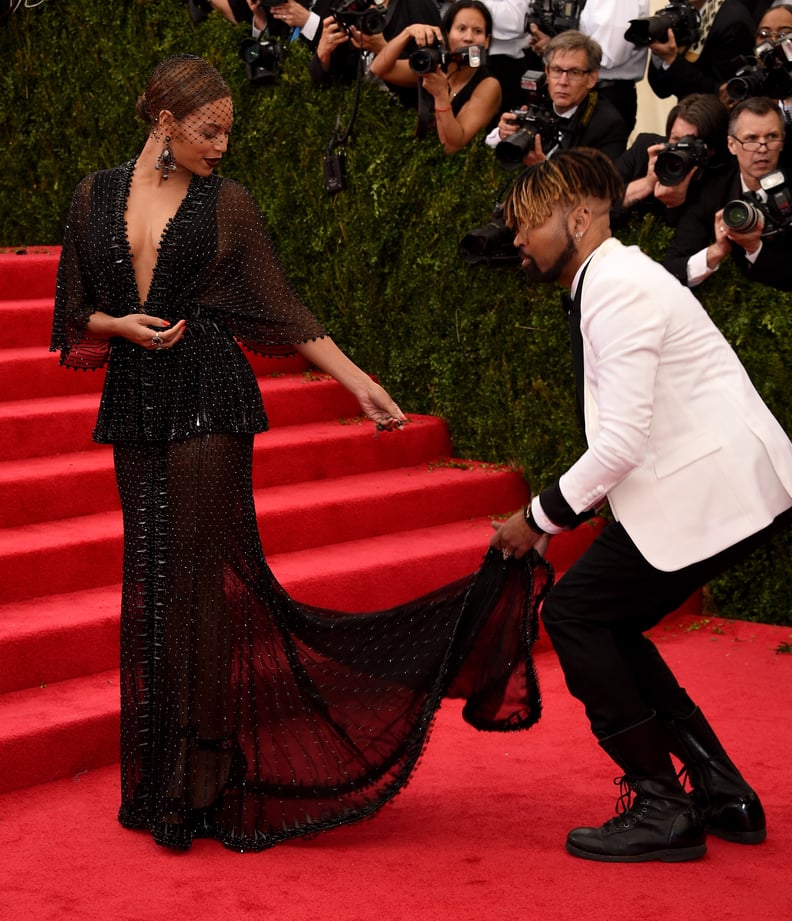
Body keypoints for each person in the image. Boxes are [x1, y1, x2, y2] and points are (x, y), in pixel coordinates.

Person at [50, 53, 549, 853]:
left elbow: (285, 312)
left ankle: (206, 769)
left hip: (211, 394)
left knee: (204, 584)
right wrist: (119, 326)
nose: (222, 147)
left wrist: (361, 384)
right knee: (155, 579)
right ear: (163, 121)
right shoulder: (95, 195)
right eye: (209, 132)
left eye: (230, 132)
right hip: (135, 403)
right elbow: (73, 314)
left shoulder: (230, 204)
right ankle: (165, 764)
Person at [490, 147, 792, 862]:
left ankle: (662, 803)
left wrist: (535, 519)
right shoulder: (617, 275)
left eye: (529, 223)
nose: (518, 239)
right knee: (608, 620)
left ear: (583, 215)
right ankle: (721, 792)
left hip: (713, 487)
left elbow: (620, 443)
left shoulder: (615, 286)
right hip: (724, 483)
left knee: (576, 614)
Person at [662, 95, 791, 290]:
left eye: (772, 137)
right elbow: (670, 270)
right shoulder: (712, 192)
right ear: (731, 145)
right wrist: (716, 251)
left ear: (782, 141)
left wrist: (754, 248)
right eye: (751, 139)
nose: (762, 148)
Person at [369, 0, 503, 152]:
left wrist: (440, 95)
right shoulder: (436, 66)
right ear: (446, 34)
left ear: (487, 41)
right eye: (461, 28)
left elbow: (452, 147)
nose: (469, 38)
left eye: (478, 31)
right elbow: (379, 68)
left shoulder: (488, 86)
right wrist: (407, 33)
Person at [486, 30, 628, 165]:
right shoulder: (536, 99)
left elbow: (602, 187)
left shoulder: (608, 125)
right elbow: (489, 147)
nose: (563, 81)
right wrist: (502, 133)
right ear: (547, 72)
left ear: (592, 78)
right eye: (557, 70)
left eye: (574, 72)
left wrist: (543, 168)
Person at [525, 0, 650, 133]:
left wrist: (554, 48)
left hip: (605, 94)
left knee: (586, 153)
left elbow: (609, 54)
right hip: (568, 90)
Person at [613, 92, 730, 225]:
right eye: (675, 139)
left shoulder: (722, 178)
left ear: (712, 149)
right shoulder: (645, 150)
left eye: (690, 144)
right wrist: (647, 183)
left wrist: (675, 206)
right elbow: (595, 203)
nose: (680, 149)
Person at [309, 0, 443, 91]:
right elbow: (325, 79)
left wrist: (383, 48)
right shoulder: (348, 6)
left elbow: (433, 71)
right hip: (352, 118)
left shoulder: (418, 5)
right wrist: (323, 52)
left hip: (402, 119)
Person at [646, 0, 755, 101]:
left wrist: (672, 60)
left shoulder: (732, 19)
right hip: (687, 113)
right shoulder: (677, 14)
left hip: (717, 116)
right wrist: (660, 52)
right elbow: (661, 90)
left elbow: (722, 93)